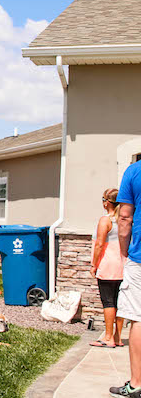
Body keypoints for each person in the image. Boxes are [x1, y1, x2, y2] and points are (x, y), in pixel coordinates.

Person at [112, 161, 141, 397]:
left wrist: (124, 253)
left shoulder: (134, 171)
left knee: (139, 319)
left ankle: (137, 384)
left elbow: (124, 219)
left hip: (140, 259)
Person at [91, 188, 126, 348]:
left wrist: (94, 264)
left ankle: (108, 337)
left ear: (106, 202)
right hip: (123, 265)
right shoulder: (126, 220)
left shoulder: (106, 220)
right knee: (119, 302)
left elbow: (99, 244)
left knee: (108, 302)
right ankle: (118, 338)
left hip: (107, 266)